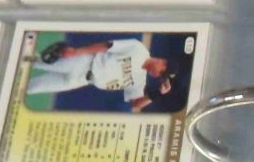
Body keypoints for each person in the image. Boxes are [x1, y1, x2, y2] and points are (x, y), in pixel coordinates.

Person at [27, 37, 178, 112]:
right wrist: (76, 52)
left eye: (161, 76)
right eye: (162, 71)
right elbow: (107, 46)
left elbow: (135, 105)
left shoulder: (140, 81)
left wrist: (156, 94)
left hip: (82, 81)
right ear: (162, 62)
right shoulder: (138, 49)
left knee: (32, 88)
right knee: (33, 61)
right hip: (83, 63)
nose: (158, 75)